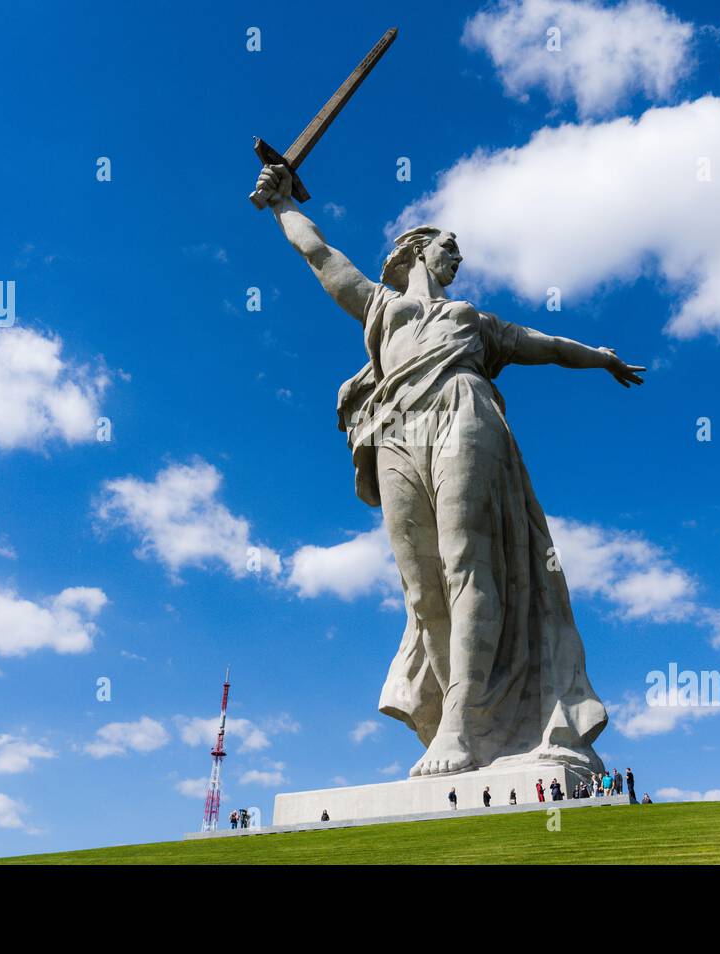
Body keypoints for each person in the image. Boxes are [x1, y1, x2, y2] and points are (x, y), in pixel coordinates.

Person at [254, 164, 644, 779]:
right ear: (414, 250)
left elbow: (543, 344)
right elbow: (320, 255)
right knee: (420, 586)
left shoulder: (474, 322)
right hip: (395, 428)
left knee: (468, 561)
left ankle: (463, 728)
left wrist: (599, 357)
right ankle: (455, 722)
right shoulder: (381, 308)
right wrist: (280, 202)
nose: (456, 260)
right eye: (448, 248)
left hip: (464, 407)